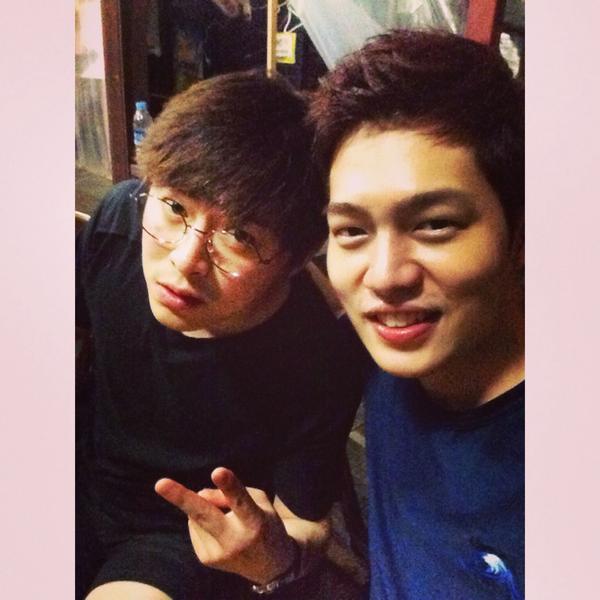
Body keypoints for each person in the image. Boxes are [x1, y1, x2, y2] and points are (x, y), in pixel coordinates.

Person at [76, 71, 363, 600]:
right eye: (175, 208)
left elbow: (305, 524)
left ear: (297, 259)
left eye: (240, 237)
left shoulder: (321, 354)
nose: (185, 261)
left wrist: (272, 554)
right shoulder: (119, 219)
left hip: (180, 534)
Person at [310, 29, 525, 599]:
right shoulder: (393, 352)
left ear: (523, 234)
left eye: (435, 224)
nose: (385, 277)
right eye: (351, 231)